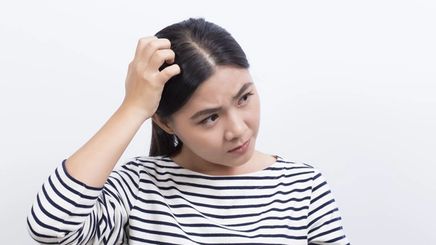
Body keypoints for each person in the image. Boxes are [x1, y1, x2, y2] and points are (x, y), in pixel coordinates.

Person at [27, 18, 350, 244]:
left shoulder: (303, 187)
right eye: (210, 118)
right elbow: (50, 228)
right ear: (166, 122)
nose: (238, 130)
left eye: (245, 98)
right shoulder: (139, 187)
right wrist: (134, 107)